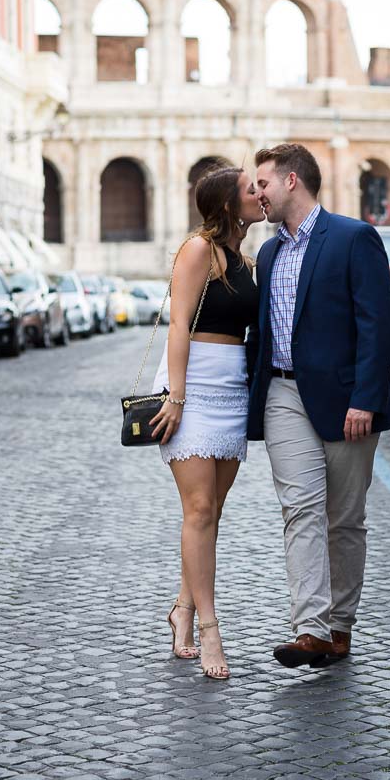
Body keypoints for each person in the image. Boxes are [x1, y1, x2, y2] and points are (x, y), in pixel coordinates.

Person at [247, 143, 390, 669]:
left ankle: (340, 628)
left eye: (262, 183)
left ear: (291, 181)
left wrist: (366, 398)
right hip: (284, 394)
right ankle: (310, 628)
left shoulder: (354, 238)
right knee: (301, 509)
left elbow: (379, 325)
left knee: (345, 519)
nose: (255, 193)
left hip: (345, 400)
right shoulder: (267, 253)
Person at [150, 166, 263, 679]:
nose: (259, 194)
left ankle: (183, 609)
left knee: (210, 512)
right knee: (197, 508)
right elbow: (178, 322)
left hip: (231, 390)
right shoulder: (197, 249)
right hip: (191, 388)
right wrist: (175, 395)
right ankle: (210, 629)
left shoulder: (244, 260)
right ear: (224, 204)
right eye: (249, 190)